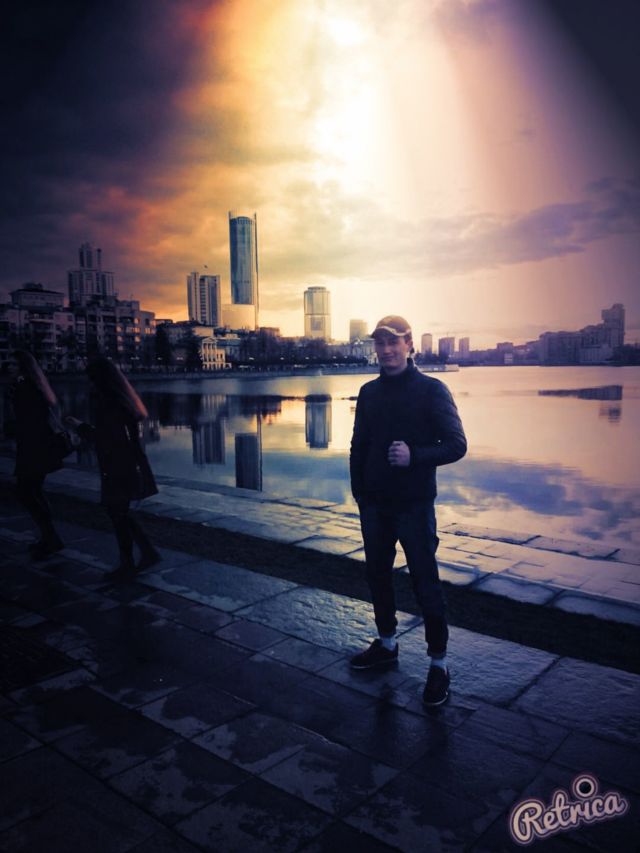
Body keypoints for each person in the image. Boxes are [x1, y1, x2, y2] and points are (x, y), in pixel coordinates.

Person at [349, 315, 467, 706]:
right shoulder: (368, 392)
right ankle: (386, 644)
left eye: (393, 342)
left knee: (424, 582)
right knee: (377, 575)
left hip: (414, 506)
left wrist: (415, 455)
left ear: (409, 345)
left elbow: (456, 445)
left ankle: (439, 665)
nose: (386, 350)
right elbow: (358, 446)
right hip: (375, 505)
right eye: (380, 343)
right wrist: (360, 492)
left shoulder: (432, 390)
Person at [66, 357, 160, 580]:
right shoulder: (123, 398)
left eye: (90, 379)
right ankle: (146, 553)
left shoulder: (108, 401)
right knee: (119, 512)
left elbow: (106, 437)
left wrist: (80, 427)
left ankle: (130, 562)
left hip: (117, 464)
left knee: (117, 512)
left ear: (99, 380)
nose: (89, 383)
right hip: (126, 461)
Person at [7, 350, 66, 559]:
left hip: (32, 447)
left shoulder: (24, 387)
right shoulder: (37, 385)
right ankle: (49, 537)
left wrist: (12, 434)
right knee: (33, 490)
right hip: (40, 446)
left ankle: (51, 537)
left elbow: (26, 419)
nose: (9, 367)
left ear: (23, 367)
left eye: (14, 364)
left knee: (25, 491)